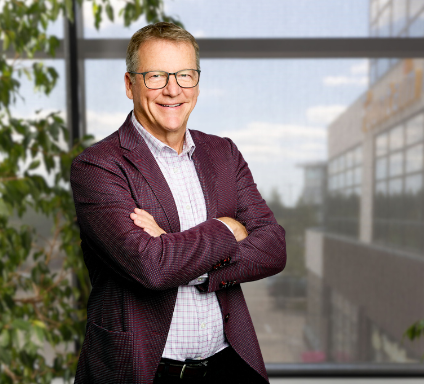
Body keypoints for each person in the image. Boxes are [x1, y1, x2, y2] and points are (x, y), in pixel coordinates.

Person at [70, 22, 286, 384]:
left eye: (185, 75)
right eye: (156, 75)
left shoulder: (224, 153)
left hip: (226, 364)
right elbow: (151, 266)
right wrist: (227, 229)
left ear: (197, 83)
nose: (173, 89)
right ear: (130, 84)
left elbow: (273, 248)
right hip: (142, 371)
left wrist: (177, 250)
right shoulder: (98, 166)